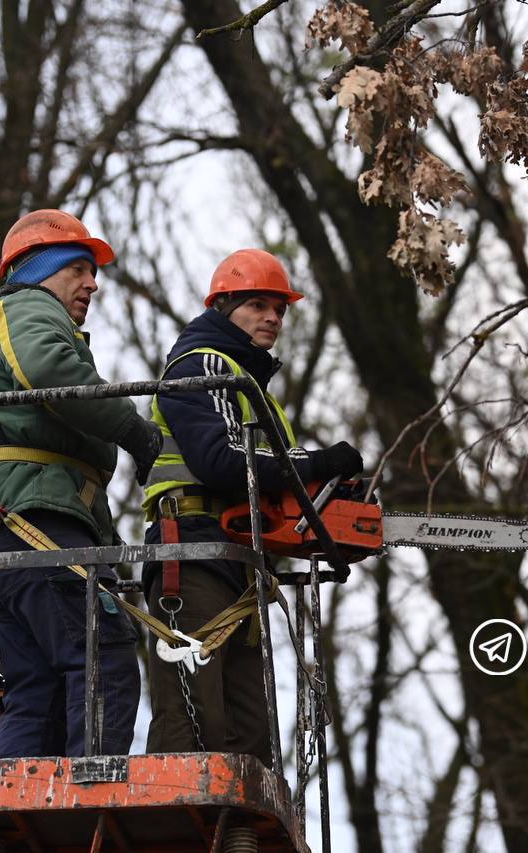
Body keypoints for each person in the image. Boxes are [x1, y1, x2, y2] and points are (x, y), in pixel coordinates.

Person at [0, 209, 161, 758]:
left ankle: (8, 831)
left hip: (2, 523)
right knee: (103, 657)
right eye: (79, 269)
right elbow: (51, 373)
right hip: (27, 516)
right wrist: (137, 433)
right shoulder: (27, 309)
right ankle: (86, 807)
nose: (92, 284)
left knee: (36, 685)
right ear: (42, 269)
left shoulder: (11, 319)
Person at [141, 249, 363, 761]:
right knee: (193, 717)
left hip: (238, 560)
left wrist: (329, 504)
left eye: (280, 310)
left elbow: (271, 478)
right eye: (258, 305)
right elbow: (223, 461)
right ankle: (179, 829)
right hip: (191, 552)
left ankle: (242, 836)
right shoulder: (203, 365)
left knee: (252, 734)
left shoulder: (250, 386)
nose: (272, 318)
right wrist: (317, 462)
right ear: (222, 307)